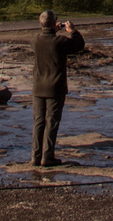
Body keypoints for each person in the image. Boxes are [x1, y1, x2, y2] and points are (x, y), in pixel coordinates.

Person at [30, 10, 85, 166]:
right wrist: (72, 31)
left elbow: (44, 40)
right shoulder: (60, 42)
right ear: (54, 22)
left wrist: (51, 30)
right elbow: (79, 45)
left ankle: (35, 156)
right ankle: (47, 156)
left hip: (38, 86)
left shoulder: (35, 40)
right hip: (55, 87)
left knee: (39, 122)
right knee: (52, 122)